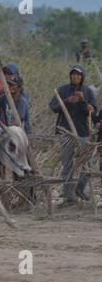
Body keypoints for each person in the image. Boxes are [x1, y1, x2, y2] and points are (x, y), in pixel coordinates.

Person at [49, 64, 97, 203]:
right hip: (65, 132)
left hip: (83, 132)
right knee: (67, 164)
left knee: (88, 162)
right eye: (73, 74)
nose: (75, 76)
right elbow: (53, 107)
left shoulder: (87, 92)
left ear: (82, 77)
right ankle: (69, 194)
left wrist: (83, 101)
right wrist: (66, 101)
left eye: (78, 74)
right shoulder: (63, 90)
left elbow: (92, 112)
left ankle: (80, 189)